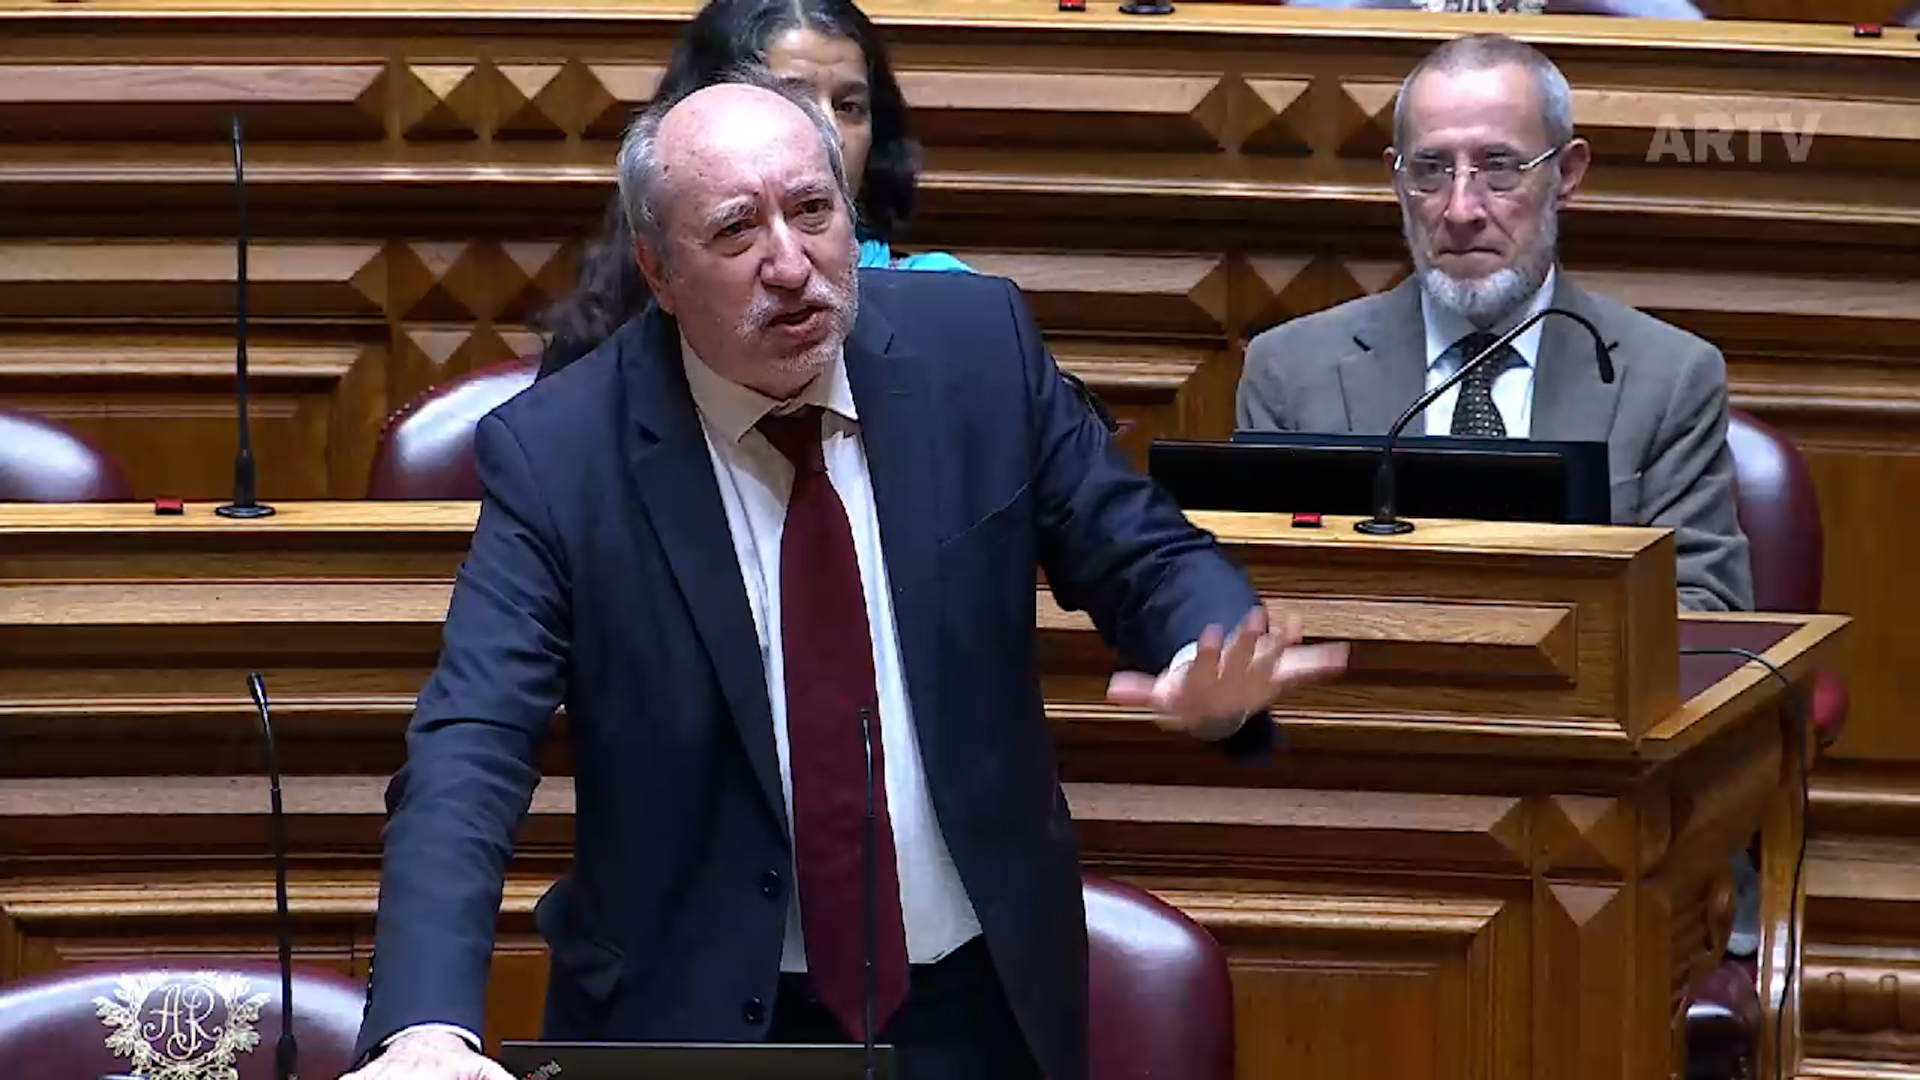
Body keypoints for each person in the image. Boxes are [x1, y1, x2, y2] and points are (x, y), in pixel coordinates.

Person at [344, 72, 1348, 1080]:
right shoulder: (562, 453)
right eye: (737, 231)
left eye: (813, 212)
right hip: (688, 1014)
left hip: (975, 1001)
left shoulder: (976, 352)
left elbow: (1137, 544)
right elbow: (471, 739)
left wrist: (1205, 643)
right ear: (657, 269)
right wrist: (425, 1022)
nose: (790, 264)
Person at [1234, 33, 1752, 614]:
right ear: (1396, 180)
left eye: (1499, 167)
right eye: (1431, 169)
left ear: (1567, 173)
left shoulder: (1669, 378)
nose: (1461, 210)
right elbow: (1255, 598)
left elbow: (1704, 607)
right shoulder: (1291, 372)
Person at [536, 0, 966, 381]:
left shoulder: (945, 301)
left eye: (849, 107)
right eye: (792, 102)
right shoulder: (613, 329)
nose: (828, 133)